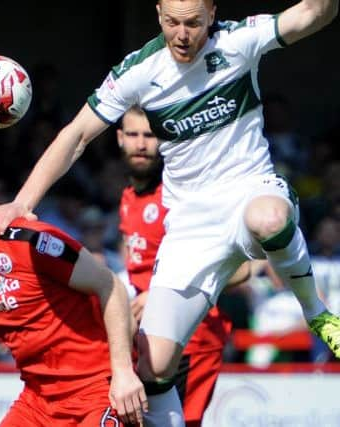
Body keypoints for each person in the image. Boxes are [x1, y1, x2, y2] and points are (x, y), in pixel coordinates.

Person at [0, 1, 340, 425]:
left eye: (193, 23)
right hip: (190, 226)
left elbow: (309, 14)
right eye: (172, 22)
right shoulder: (139, 70)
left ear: (211, 13)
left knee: (269, 218)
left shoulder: (239, 41)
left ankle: (316, 311)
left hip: (250, 191)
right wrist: (24, 202)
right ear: (158, 14)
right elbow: (78, 134)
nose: (182, 34)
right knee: (152, 369)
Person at [0, 162, 147, 426]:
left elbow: (110, 285)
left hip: (97, 391)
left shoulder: (28, 240)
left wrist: (123, 373)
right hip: (38, 402)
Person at [117, 106, 250, 426]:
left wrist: (162, 292)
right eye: (133, 135)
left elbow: (242, 270)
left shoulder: (183, 197)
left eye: (149, 135)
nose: (141, 144)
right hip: (148, 339)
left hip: (192, 338)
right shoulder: (128, 197)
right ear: (119, 139)